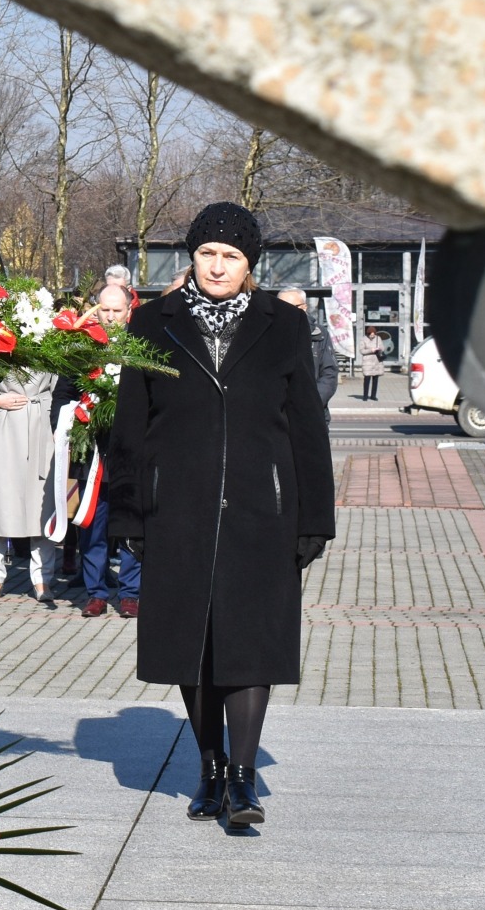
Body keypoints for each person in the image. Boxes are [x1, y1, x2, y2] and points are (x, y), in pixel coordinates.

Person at [108, 202, 336, 826]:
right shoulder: (154, 322)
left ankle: (242, 780)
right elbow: (128, 425)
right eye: (207, 253)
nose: (217, 265)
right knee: (191, 643)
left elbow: (308, 430)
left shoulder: (283, 326)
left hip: (262, 509)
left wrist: (315, 515)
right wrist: (126, 513)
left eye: (231, 256)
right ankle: (208, 771)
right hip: (174, 508)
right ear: (192, 257)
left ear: (249, 265)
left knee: (251, 643)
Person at [73, 283, 141, 618]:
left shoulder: (140, 347)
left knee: (129, 524)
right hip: (93, 453)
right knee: (93, 528)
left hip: (130, 454)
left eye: (118, 310)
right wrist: (75, 418)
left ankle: (130, 593)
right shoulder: (82, 348)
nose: (111, 316)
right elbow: (63, 397)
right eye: (105, 309)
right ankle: (96, 592)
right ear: (96, 309)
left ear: (129, 311)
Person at [0, 369, 62, 602]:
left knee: (42, 508)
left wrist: (60, 421)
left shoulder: (56, 335)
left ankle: (43, 578)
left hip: (42, 425)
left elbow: (65, 384)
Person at [278, 289, 338, 421]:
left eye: (293, 307)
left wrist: (311, 403)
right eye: (281, 307)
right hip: (277, 416)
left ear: (304, 307)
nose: (286, 312)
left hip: (311, 415)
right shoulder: (267, 334)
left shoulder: (319, 334)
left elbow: (329, 373)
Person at [359, 325, 386, 401]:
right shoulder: (363, 339)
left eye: (373, 334)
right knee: (367, 379)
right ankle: (365, 396)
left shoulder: (378, 338)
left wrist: (379, 348)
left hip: (377, 361)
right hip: (367, 362)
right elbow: (362, 351)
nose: (372, 335)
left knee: (375, 379)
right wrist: (371, 350)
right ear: (368, 334)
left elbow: (383, 348)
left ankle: (373, 395)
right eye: (371, 334)